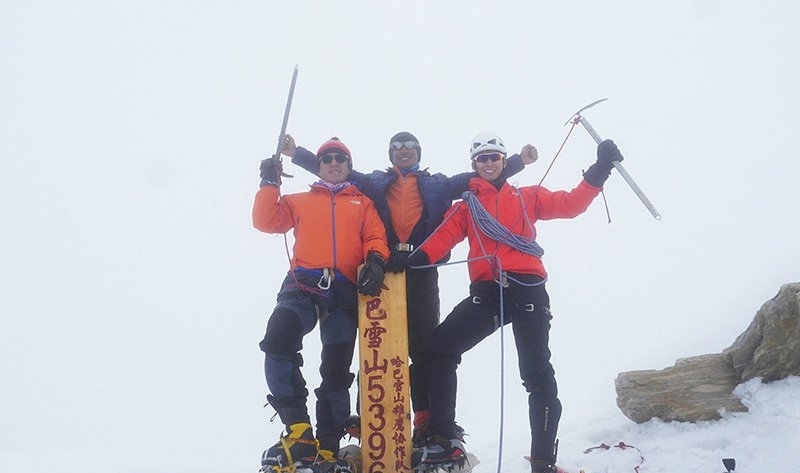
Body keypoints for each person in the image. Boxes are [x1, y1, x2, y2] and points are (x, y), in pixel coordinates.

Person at [280, 132, 537, 444]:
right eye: (398, 148)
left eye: (410, 147)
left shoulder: (439, 183)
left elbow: (480, 176)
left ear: (419, 152)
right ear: (390, 154)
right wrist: (296, 153)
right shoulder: (374, 181)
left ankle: (425, 420)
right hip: (383, 268)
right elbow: (337, 169)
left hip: (421, 265)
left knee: (424, 345)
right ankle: (368, 416)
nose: (404, 152)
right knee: (377, 343)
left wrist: (518, 162)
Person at [406, 133, 625, 473]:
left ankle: (542, 461)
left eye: (494, 157)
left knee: (536, 373)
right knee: (438, 349)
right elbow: (442, 239)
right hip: (488, 291)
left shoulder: (528, 197)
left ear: (503, 161)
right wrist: (412, 259)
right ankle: (444, 439)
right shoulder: (466, 207)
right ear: (474, 166)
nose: (489, 162)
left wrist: (600, 168)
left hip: (527, 288)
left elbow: (571, 204)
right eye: (483, 159)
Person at [252, 137, 390, 473]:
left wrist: (376, 260)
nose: (333, 162)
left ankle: (328, 448)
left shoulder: (362, 203)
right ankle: (298, 431)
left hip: (343, 289)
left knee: (336, 371)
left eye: (340, 158)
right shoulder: (299, 200)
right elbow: (266, 220)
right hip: (303, 283)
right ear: (319, 164)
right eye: (327, 158)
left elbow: (376, 238)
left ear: (348, 165)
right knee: (278, 341)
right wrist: (269, 183)